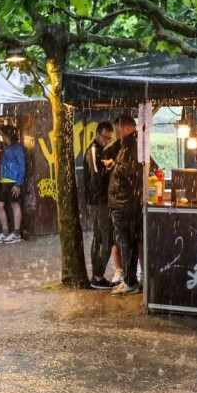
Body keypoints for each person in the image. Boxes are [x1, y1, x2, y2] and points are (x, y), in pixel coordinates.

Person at [107, 115, 145, 296]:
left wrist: (115, 165)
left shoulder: (132, 147)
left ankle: (131, 281)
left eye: (117, 130)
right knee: (127, 242)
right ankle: (130, 280)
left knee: (127, 243)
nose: (116, 134)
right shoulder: (130, 146)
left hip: (125, 203)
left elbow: (130, 172)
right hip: (123, 202)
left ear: (127, 128)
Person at [82, 121, 116, 288]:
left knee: (99, 237)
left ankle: (97, 275)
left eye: (109, 139)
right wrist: (110, 167)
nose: (107, 141)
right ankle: (97, 276)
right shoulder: (94, 150)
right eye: (105, 138)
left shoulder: (101, 150)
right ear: (97, 134)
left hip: (99, 201)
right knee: (106, 237)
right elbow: (96, 177)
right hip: (99, 201)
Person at [0, 128, 27, 243]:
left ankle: (16, 233)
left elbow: (22, 167)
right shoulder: (5, 148)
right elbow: (3, 165)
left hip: (12, 182)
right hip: (3, 181)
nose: (2, 138)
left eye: (3, 135)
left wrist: (18, 184)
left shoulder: (18, 148)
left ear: (8, 136)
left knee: (15, 205)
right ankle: (5, 232)